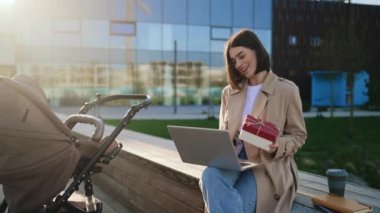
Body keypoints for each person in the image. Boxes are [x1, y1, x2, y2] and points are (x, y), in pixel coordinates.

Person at [199, 29, 307, 213]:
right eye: (233, 61)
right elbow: (224, 132)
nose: (238, 64)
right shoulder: (229, 92)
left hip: (265, 166)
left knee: (234, 201)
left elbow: (299, 135)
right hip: (235, 160)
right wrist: (224, 144)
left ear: (256, 50)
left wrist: (278, 144)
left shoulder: (286, 90)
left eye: (241, 56)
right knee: (209, 175)